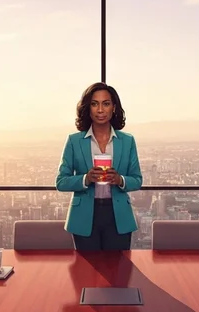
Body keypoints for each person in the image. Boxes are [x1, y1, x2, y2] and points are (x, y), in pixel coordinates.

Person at [56, 82, 142, 251]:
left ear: (114, 108)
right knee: (86, 272)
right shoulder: (74, 141)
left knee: (118, 271)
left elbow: (137, 180)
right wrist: (85, 179)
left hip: (118, 216)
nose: (100, 110)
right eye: (95, 104)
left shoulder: (127, 141)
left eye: (106, 103)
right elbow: (61, 182)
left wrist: (120, 180)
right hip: (84, 216)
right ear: (88, 108)